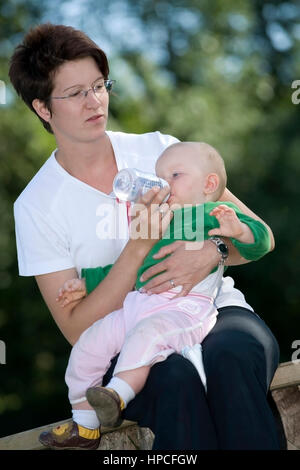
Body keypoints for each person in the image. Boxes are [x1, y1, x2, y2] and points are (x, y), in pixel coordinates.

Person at [10, 23, 280, 450]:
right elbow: (79, 330)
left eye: (100, 85)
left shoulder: (161, 151)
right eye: (76, 93)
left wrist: (215, 251)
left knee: (232, 356)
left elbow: (257, 233)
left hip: (210, 308)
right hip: (129, 331)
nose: (95, 101)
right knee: (175, 379)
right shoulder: (36, 206)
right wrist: (136, 250)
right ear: (43, 108)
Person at [37, 141, 272, 450]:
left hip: (184, 310)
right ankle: (84, 425)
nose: (164, 184)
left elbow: (262, 239)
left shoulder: (210, 213)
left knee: (150, 339)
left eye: (174, 175)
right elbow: (134, 268)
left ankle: (117, 394)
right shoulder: (160, 222)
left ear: (209, 184)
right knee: (88, 345)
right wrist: (86, 283)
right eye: (161, 176)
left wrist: (234, 235)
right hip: (139, 305)